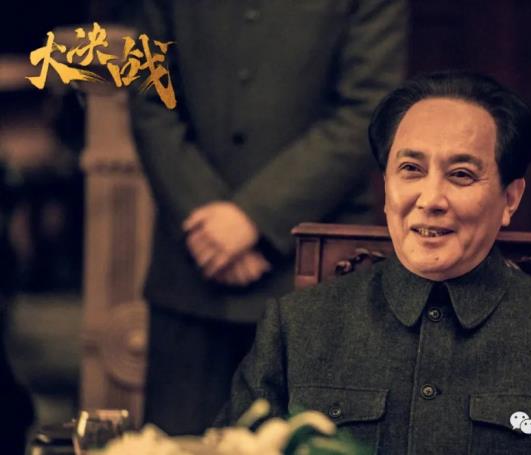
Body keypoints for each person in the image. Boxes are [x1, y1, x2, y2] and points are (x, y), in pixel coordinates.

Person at [227, 71, 531, 454]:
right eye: (411, 169)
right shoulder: (294, 328)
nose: (431, 199)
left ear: (510, 199)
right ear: (386, 187)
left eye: (461, 175)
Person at [129, 0, 407, 435]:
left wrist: (255, 219)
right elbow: (148, 97)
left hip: (312, 270)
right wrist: (206, 218)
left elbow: (368, 110)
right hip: (191, 268)